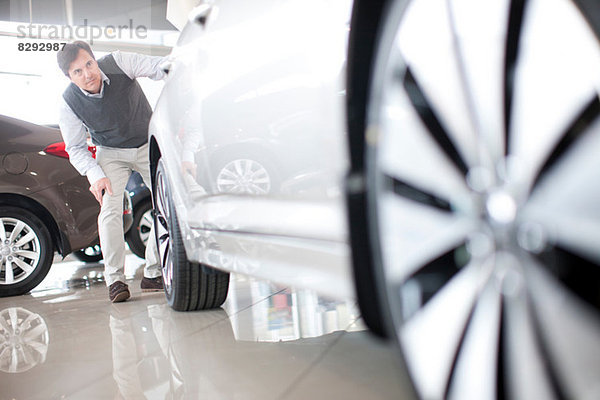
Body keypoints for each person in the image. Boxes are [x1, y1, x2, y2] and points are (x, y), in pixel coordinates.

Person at [57, 41, 165, 302]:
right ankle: (115, 280)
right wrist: (96, 175)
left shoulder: (118, 62)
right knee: (110, 210)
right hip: (110, 152)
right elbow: (75, 147)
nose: (87, 74)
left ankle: (152, 272)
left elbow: (158, 67)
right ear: (69, 77)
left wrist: (177, 68)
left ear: (95, 60)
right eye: (77, 72)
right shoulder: (69, 103)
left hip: (146, 143)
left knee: (167, 202)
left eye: (89, 65)